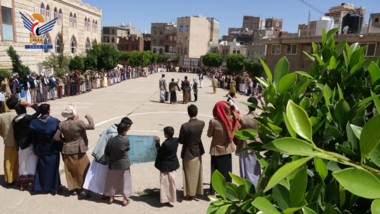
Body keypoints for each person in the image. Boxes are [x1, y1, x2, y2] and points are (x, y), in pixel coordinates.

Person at [83, 117, 132, 198]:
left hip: (98, 153)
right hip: (104, 156)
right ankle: (105, 194)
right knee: (104, 176)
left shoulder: (111, 127)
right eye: (129, 126)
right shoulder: (114, 133)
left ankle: (86, 189)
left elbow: (101, 134)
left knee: (93, 173)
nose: (129, 128)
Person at [53, 104, 94, 196]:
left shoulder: (62, 124)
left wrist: (65, 140)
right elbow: (92, 126)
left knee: (70, 170)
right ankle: (84, 187)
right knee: (84, 168)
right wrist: (89, 117)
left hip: (67, 149)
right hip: (79, 149)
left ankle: (73, 189)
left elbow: (56, 137)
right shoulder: (79, 122)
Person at [207, 101, 241, 196]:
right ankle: (228, 192)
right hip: (227, 149)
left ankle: (213, 191)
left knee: (215, 172)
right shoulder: (230, 121)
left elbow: (209, 135)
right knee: (227, 171)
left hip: (216, 149)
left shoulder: (213, 122)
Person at [30, 104, 62, 194]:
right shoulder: (55, 121)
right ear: (48, 111)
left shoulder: (34, 122)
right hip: (53, 148)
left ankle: (44, 188)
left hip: (41, 148)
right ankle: (55, 187)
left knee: (42, 168)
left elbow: (34, 138)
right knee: (54, 168)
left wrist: (36, 150)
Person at [178, 105, 205, 200]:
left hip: (188, 151)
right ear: (196, 112)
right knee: (196, 172)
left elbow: (181, 141)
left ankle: (188, 193)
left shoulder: (185, 126)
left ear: (188, 113)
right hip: (197, 150)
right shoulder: (202, 123)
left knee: (188, 173)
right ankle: (194, 193)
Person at [13, 102, 40, 191]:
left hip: (21, 145)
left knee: (22, 164)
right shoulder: (28, 118)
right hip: (29, 143)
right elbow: (39, 111)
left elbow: (15, 134)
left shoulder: (15, 120)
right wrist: (30, 104)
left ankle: (22, 184)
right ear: (25, 110)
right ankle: (32, 184)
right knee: (31, 164)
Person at [104, 122, 132, 206]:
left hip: (113, 163)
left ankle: (111, 198)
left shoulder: (111, 140)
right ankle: (124, 199)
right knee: (125, 181)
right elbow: (127, 149)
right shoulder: (126, 140)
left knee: (112, 181)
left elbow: (106, 152)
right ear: (124, 131)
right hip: (123, 164)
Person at [237, 97, 263, 187]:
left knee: (247, 168)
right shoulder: (259, 117)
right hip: (257, 144)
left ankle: (248, 187)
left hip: (246, 144)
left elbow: (240, 134)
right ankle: (257, 187)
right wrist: (262, 100)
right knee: (256, 168)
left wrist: (238, 148)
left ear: (248, 106)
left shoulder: (244, 118)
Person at [155, 126, 180, 207]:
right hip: (173, 164)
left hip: (166, 166)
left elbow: (160, 152)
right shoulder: (176, 140)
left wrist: (157, 143)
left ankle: (164, 199)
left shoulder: (165, 144)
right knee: (172, 183)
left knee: (164, 183)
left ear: (166, 134)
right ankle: (172, 198)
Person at [0, 97, 19, 184]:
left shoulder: (1, 116)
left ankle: (9, 179)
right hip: (18, 141)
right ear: (16, 105)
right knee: (18, 161)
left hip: (7, 141)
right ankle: (18, 177)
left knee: (8, 161)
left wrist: (4, 135)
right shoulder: (18, 115)